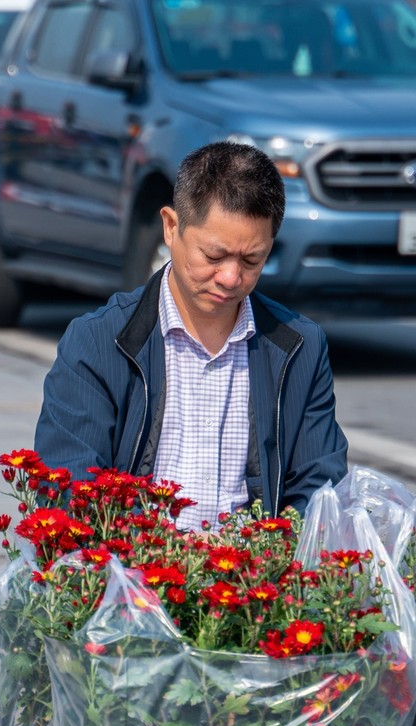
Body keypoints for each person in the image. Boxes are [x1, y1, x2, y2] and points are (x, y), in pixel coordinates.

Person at [34, 140, 348, 528]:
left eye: (252, 260)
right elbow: (70, 489)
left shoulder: (300, 348)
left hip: (254, 564)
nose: (230, 277)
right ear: (171, 226)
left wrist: (269, 550)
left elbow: (319, 491)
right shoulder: (97, 342)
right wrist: (162, 553)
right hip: (131, 560)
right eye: (213, 256)